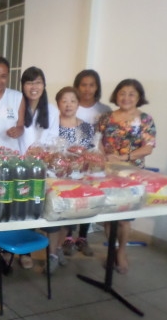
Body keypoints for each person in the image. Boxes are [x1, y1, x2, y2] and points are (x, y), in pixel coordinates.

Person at [97, 78, 157, 274]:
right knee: (108, 216)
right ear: (116, 95)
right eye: (122, 93)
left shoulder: (145, 119)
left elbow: (148, 148)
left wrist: (123, 157)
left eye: (131, 94)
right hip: (107, 172)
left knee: (124, 218)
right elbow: (98, 141)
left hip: (132, 174)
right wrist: (105, 157)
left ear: (139, 97)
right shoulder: (106, 117)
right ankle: (112, 250)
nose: (126, 97)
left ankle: (122, 251)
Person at [62, 70, 111, 256]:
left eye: (92, 85)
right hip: (69, 161)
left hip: (91, 161)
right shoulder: (70, 106)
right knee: (70, 198)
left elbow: (103, 138)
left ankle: (82, 237)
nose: (87, 89)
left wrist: (101, 158)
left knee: (88, 197)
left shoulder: (104, 110)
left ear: (97, 87)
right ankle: (67, 237)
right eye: (83, 85)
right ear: (77, 86)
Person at [47, 87, 97, 270]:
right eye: (64, 101)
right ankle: (52, 253)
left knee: (68, 218)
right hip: (55, 179)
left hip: (77, 180)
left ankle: (59, 248)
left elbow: (91, 152)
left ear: (78, 104)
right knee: (55, 217)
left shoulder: (86, 127)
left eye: (73, 101)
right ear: (58, 103)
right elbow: (46, 150)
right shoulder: (53, 124)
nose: (68, 105)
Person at [16, 67, 59, 269]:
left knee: (42, 211)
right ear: (23, 86)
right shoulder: (16, 106)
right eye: (29, 82)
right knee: (23, 211)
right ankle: (24, 252)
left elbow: (53, 141)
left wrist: (39, 154)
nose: (34, 87)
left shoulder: (52, 111)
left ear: (44, 85)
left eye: (38, 82)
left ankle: (51, 254)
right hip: (19, 168)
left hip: (44, 169)